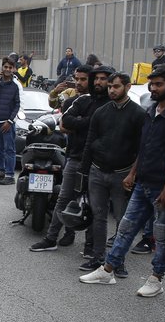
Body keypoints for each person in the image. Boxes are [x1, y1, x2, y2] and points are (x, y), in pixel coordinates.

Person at [80, 65, 165, 296]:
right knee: (125, 228)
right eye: (152, 84)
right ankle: (108, 270)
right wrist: (133, 173)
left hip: (164, 186)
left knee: (162, 235)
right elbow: (144, 146)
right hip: (143, 181)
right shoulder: (152, 110)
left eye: (159, 84)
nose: (154, 88)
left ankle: (156, 279)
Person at [31, 65, 109, 253]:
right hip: (74, 157)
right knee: (64, 198)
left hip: (99, 162)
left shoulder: (109, 104)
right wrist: (89, 122)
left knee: (94, 205)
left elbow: (106, 128)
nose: (79, 82)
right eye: (77, 79)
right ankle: (52, 238)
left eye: (84, 79)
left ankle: (91, 246)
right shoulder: (76, 101)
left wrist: (82, 123)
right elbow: (64, 123)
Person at [79, 71, 145, 274]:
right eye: (109, 87)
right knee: (98, 217)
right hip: (97, 171)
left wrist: (132, 174)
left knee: (122, 220)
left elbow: (142, 148)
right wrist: (84, 171)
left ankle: (117, 261)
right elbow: (90, 141)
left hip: (122, 174)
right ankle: (98, 258)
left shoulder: (138, 114)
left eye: (116, 86)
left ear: (128, 87)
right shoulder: (101, 112)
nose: (111, 90)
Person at [0, 58, 20, 184]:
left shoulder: (16, 85)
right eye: (5, 67)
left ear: (13, 69)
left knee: (9, 149)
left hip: (8, 123)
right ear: (2, 67)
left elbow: (18, 105)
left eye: (10, 67)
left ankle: (9, 175)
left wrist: (10, 121)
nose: (7, 69)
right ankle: (0, 171)